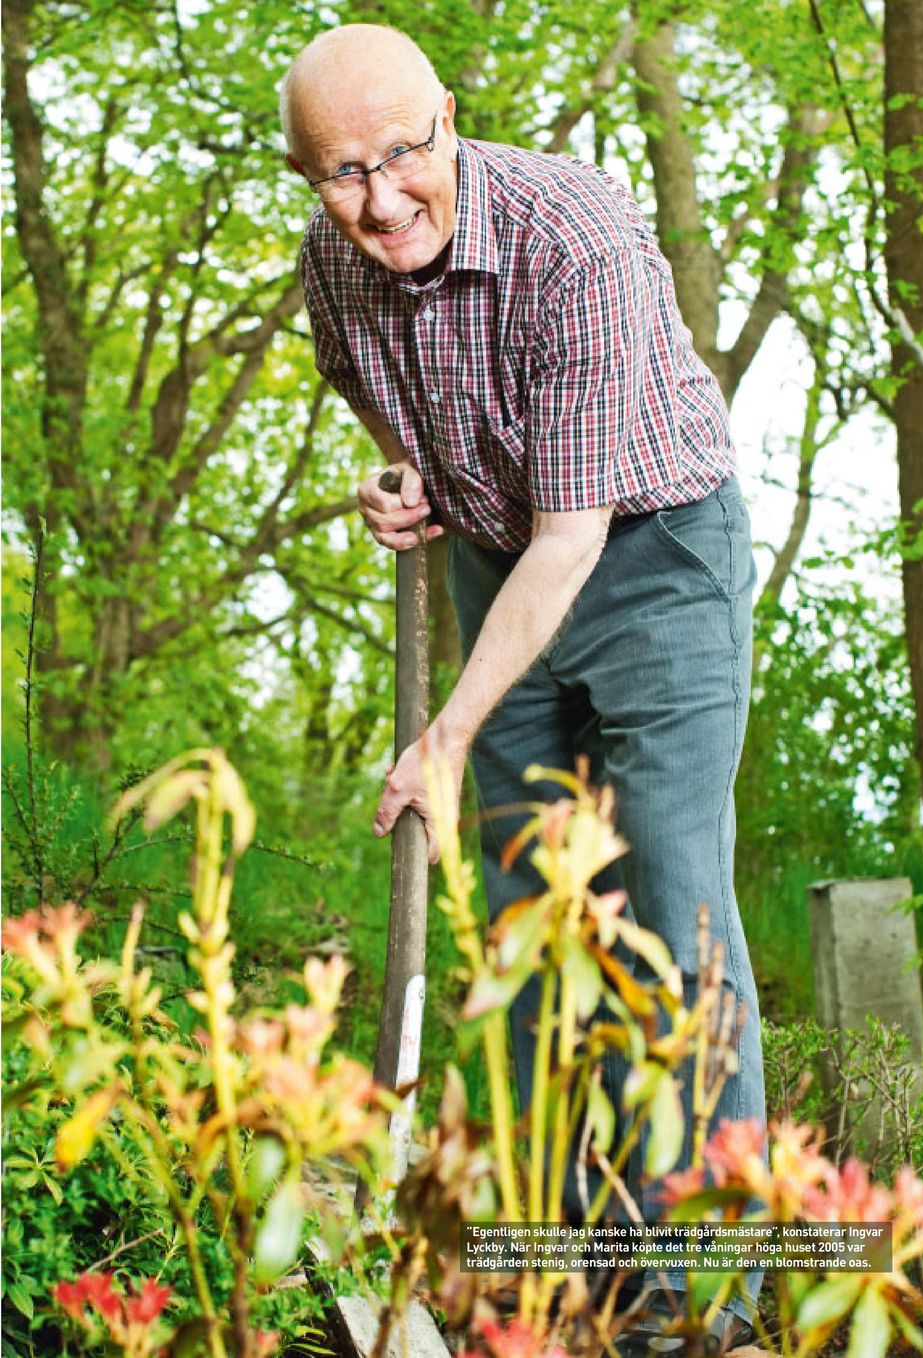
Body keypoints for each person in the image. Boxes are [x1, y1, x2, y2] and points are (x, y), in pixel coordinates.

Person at [281, 24, 764, 1354]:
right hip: (501, 552)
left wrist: (443, 732)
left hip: (653, 549)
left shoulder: (579, 237)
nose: (379, 200)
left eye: (400, 156)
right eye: (339, 173)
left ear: (452, 117)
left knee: (664, 900)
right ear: (306, 177)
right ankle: (563, 1274)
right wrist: (399, 475)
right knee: (527, 921)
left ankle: (701, 1294)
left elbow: (578, 536)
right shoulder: (336, 261)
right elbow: (378, 395)